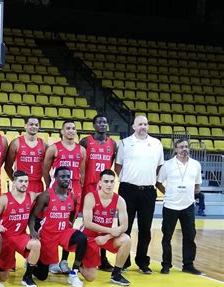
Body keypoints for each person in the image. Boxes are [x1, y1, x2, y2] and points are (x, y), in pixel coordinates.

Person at [115, 115, 164, 274]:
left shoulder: (157, 144)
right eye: (140, 124)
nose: (143, 127)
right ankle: (123, 262)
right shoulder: (125, 143)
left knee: (145, 228)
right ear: (133, 126)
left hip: (148, 191)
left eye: (145, 124)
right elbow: (118, 167)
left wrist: (146, 178)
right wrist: (129, 180)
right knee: (124, 227)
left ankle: (143, 261)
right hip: (127, 190)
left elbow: (158, 167)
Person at [28, 167, 87, 287]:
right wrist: (33, 231)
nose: (66, 179)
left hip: (63, 233)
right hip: (47, 235)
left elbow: (72, 216)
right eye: (62, 176)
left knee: (82, 238)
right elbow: (33, 216)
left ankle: (73, 273)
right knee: (42, 276)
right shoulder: (46, 196)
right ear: (55, 178)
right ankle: (33, 261)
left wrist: (69, 226)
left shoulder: (73, 197)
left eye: (67, 176)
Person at [42, 119, 86, 274]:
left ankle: (64, 260)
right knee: (52, 225)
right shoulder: (54, 148)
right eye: (68, 128)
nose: (71, 131)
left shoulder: (81, 150)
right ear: (62, 131)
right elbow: (45, 169)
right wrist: (50, 186)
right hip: (57, 189)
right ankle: (51, 259)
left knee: (69, 225)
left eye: (73, 128)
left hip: (74, 190)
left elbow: (82, 173)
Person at [156, 139, 204, 275]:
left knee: (189, 236)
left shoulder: (196, 164)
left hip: (188, 205)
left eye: (186, 146)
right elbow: (158, 183)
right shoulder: (167, 165)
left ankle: (188, 265)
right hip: (170, 205)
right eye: (181, 147)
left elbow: (197, 185)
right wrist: (168, 193)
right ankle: (166, 264)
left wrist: (193, 191)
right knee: (167, 237)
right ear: (175, 149)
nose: (184, 149)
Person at [80, 169, 132, 286]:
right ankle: (79, 264)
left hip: (105, 237)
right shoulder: (90, 197)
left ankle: (116, 274)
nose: (109, 184)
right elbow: (88, 223)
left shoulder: (120, 200)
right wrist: (110, 230)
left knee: (126, 239)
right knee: (90, 277)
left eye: (112, 182)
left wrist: (107, 236)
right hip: (89, 237)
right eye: (106, 181)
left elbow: (124, 226)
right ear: (100, 183)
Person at [0, 170, 41, 287]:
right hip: (5, 238)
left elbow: (46, 194)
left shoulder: (31, 196)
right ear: (14, 182)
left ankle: (27, 277)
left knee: (36, 244)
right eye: (21, 181)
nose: (24, 184)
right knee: (3, 277)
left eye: (26, 181)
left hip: (20, 236)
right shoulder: (4, 199)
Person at [79, 115, 117, 272]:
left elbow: (111, 165)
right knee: (85, 223)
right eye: (99, 122)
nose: (103, 124)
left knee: (103, 222)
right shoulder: (85, 142)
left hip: (104, 188)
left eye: (105, 122)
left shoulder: (113, 144)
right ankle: (79, 256)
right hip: (88, 186)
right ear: (94, 125)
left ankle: (102, 259)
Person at [5, 116, 47, 193]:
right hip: (21, 183)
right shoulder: (16, 143)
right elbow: (7, 167)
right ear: (25, 126)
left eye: (36, 125)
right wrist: (16, 180)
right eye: (31, 124)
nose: (34, 127)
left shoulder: (43, 144)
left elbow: (47, 168)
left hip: (37, 184)